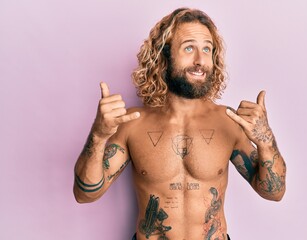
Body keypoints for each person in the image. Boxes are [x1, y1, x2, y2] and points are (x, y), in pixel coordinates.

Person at [73, 8, 286, 240]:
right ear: (164, 56)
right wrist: (99, 135)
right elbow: (85, 194)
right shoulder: (132, 124)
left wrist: (265, 140)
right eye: (189, 48)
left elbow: (274, 193)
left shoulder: (229, 121)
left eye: (207, 49)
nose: (200, 60)